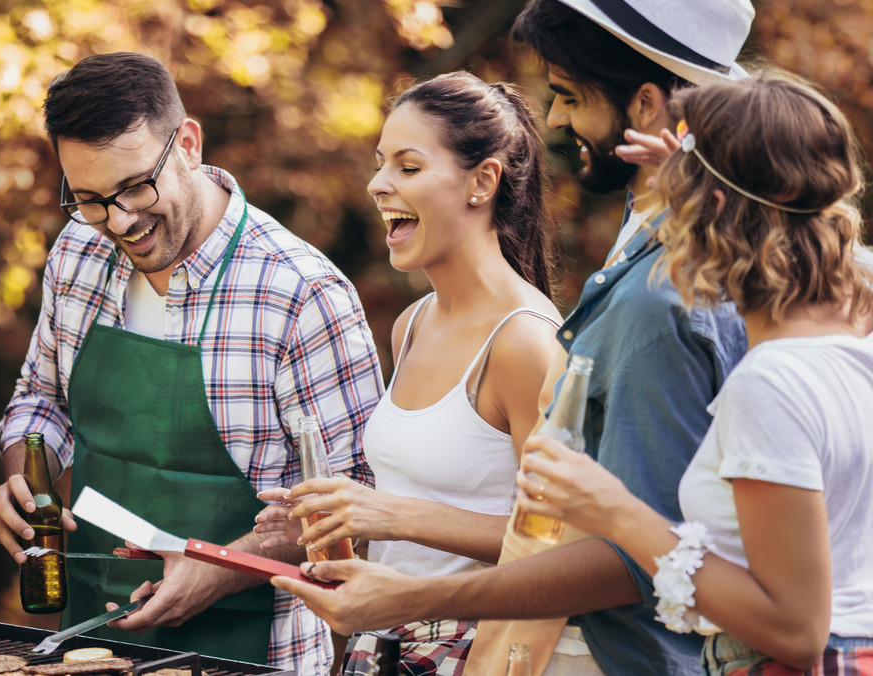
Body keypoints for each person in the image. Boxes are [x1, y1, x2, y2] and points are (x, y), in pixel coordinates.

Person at [270, 1, 754, 674]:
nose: (555, 118)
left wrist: (401, 542)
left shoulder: (641, 303)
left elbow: (608, 548)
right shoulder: (634, 256)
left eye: (567, 95)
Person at [0, 52, 384, 673]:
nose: (119, 221)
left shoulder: (301, 293)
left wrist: (219, 569)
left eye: (136, 186)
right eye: (89, 199)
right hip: (93, 639)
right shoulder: (77, 253)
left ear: (188, 143)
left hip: (253, 653)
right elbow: (40, 401)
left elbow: (353, 505)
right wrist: (21, 479)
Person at [517, 72, 873, 675]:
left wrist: (614, 510)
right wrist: (709, 180)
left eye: (671, 193)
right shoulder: (854, 328)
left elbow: (797, 630)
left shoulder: (770, 383)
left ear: (707, 209)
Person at [252, 71, 565, 676]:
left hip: (477, 653)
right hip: (385, 647)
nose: (377, 184)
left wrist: (387, 512)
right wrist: (333, 521)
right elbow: (415, 513)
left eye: (408, 167)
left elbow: (558, 546)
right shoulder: (412, 323)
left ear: (483, 181)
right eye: (380, 164)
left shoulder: (526, 342)